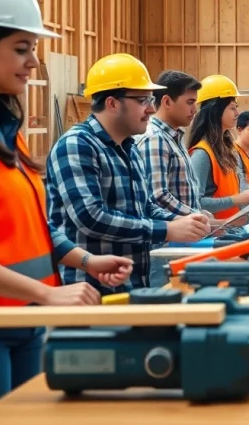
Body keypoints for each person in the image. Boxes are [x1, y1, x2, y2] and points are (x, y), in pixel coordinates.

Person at [0, 0, 133, 425]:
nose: (34, 62)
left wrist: (86, 260)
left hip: (24, 319)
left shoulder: (3, 132)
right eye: (22, 49)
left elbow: (29, 225)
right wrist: (46, 293)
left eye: (33, 49)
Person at [47, 53, 210, 295]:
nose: (151, 109)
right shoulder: (77, 145)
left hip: (132, 284)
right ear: (112, 103)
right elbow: (91, 217)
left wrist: (179, 220)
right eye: (143, 100)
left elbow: (145, 207)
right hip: (90, 291)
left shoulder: (129, 148)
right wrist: (166, 229)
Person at [187, 75, 249, 221]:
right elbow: (196, 203)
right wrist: (236, 199)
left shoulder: (228, 149)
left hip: (232, 228)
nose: (237, 114)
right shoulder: (202, 154)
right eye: (232, 108)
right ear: (216, 110)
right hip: (216, 232)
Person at [137, 70, 205, 217]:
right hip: (170, 230)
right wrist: (196, 216)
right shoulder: (155, 138)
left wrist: (200, 213)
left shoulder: (174, 137)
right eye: (190, 102)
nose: (195, 110)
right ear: (167, 102)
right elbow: (158, 196)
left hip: (186, 227)